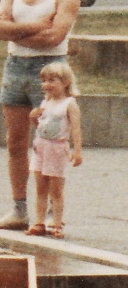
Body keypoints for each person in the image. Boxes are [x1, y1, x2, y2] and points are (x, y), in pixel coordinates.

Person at [0, 0, 80, 231]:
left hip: (51, 67)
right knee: (16, 142)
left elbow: (54, 37)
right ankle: (19, 209)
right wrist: (38, 26)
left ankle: (52, 209)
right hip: (15, 67)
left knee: (51, 141)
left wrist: (11, 31)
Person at [27, 61, 83, 239]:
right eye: (44, 80)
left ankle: (57, 224)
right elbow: (41, 126)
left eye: (52, 80)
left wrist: (77, 150)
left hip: (57, 148)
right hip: (41, 146)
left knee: (56, 189)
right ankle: (39, 222)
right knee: (40, 187)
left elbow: (75, 128)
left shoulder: (69, 104)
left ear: (65, 82)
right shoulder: (46, 101)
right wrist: (33, 118)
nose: (46, 85)